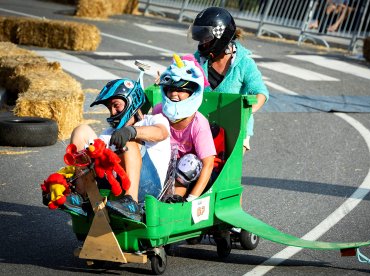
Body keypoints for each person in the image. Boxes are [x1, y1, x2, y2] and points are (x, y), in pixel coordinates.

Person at [68, 78, 171, 220]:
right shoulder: (109, 132)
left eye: (116, 105)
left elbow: (161, 133)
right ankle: (81, 196)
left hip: (148, 187)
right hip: (115, 183)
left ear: (131, 101)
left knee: (127, 142)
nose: (112, 112)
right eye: (109, 108)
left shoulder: (154, 120)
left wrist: (131, 131)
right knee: (81, 131)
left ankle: (132, 203)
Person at [189, 7, 269, 153]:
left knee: (225, 173)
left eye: (206, 39)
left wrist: (246, 112)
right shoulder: (198, 59)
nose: (202, 45)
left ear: (222, 36)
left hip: (235, 129)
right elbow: (181, 76)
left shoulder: (244, 63)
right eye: (201, 40)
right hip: (202, 126)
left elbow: (261, 93)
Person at [152, 54, 216, 202]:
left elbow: (208, 164)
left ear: (192, 92)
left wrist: (192, 199)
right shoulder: (158, 111)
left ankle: (175, 201)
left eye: (181, 90)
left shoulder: (199, 123)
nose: (174, 94)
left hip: (192, 173)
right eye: (170, 89)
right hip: (166, 165)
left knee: (189, 162)